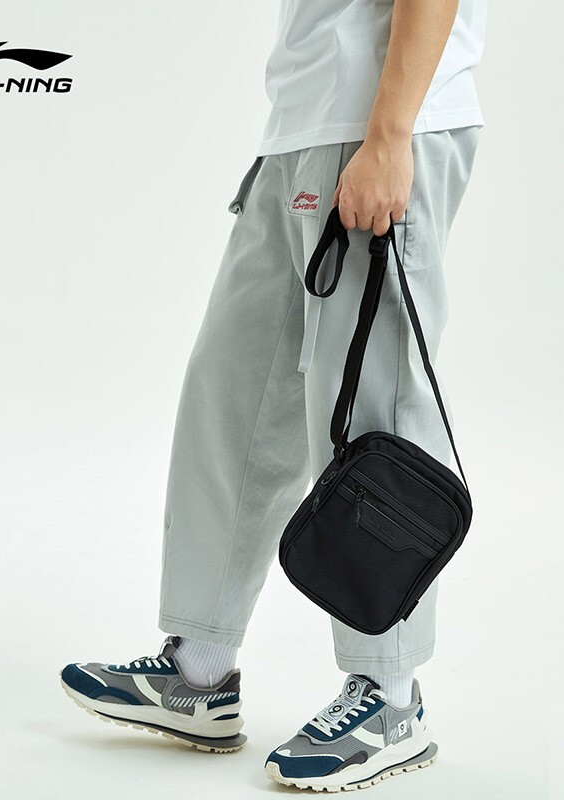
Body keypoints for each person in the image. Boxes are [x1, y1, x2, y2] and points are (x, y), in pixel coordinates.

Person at [60, 0, 486, 790]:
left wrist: (389, 136)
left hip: (382, 125)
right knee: (234, 398)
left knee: (374, 411)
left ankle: (391, 695)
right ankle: (199, 671)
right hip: (302, 126)